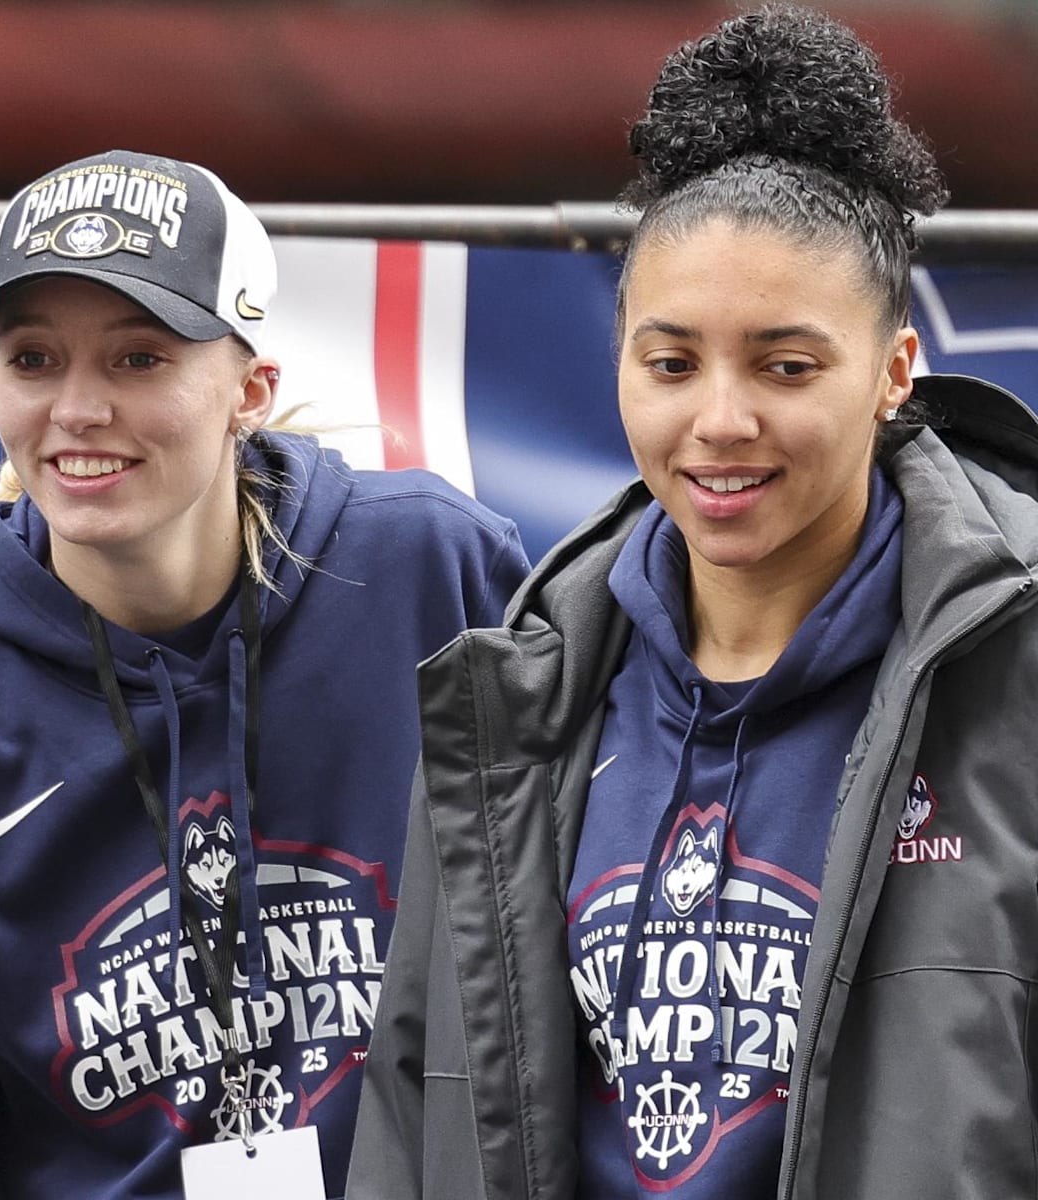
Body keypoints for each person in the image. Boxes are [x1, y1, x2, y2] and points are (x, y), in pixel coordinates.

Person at [347, 7, 1038, 1198]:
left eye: (786, 365)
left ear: (893, 372)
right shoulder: (520, 693)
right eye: (672, 363)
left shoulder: (1012, 664)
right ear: (618, 356)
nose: (721, 420)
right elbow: (413, 1119)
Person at [0, 149, 530, 1199]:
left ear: (249, 389)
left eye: (138, 359)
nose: (75, 411)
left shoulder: (433, 570)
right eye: (33, 360)